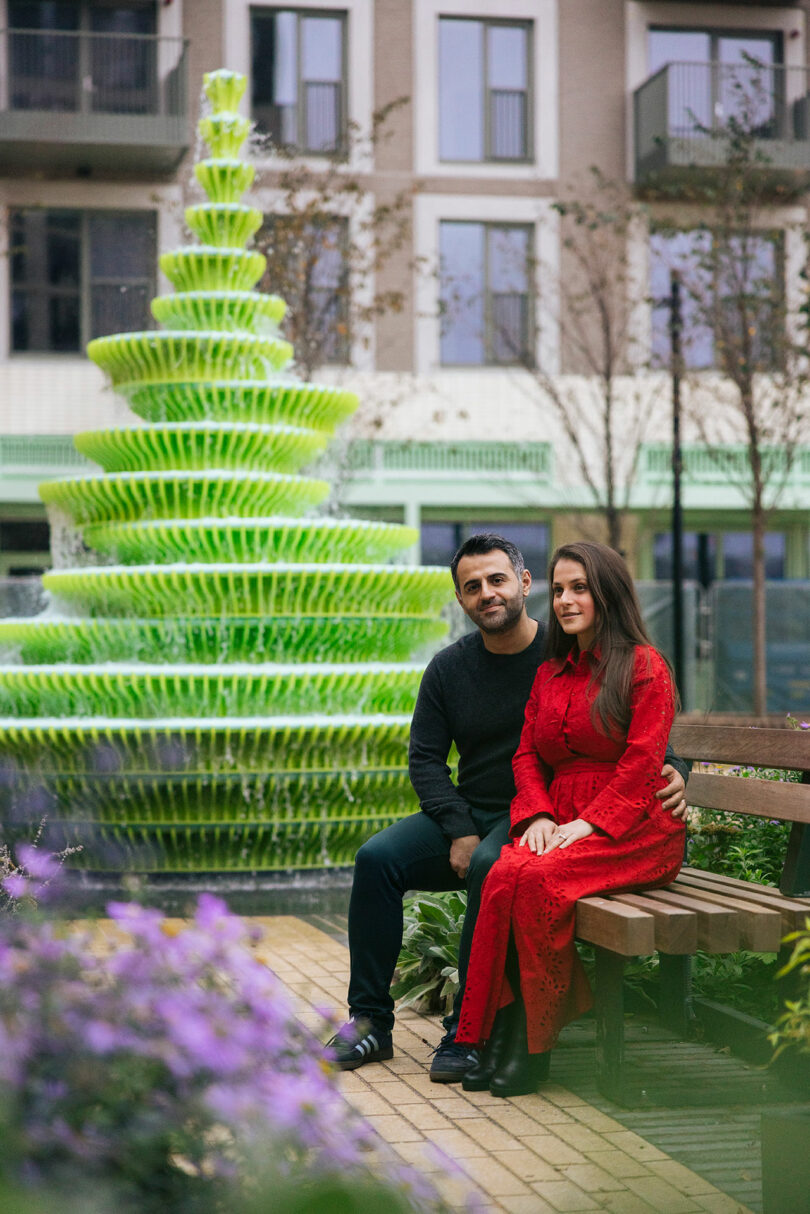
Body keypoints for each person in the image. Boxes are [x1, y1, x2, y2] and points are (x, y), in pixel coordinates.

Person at [326, 534, 688, 1082]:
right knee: (376, 860)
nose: (486, 594)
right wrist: (458, 827)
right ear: (460, 599)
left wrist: (678, 769)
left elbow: (636, 734)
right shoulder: (451, 669)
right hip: (480, 812)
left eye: (496, 580)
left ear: (522, 584)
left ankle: (466, 1034)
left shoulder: (563, 652)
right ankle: (370, 1022)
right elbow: (425, 761)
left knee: (494, 868)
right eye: (471, 587)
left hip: (541, 818)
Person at [455, 541, 687, 1097]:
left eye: (579, 587)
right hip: (559, 817)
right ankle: (500, 1033)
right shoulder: (553, 672)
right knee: (503, 875)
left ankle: (534, 1049)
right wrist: (534, 813)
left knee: (531, 879)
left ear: (607, 591)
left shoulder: (644, 666)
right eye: (558, 590)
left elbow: (642, 761)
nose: (564, 600)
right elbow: (527, 755)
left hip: (635, 830)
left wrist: (589, 824)